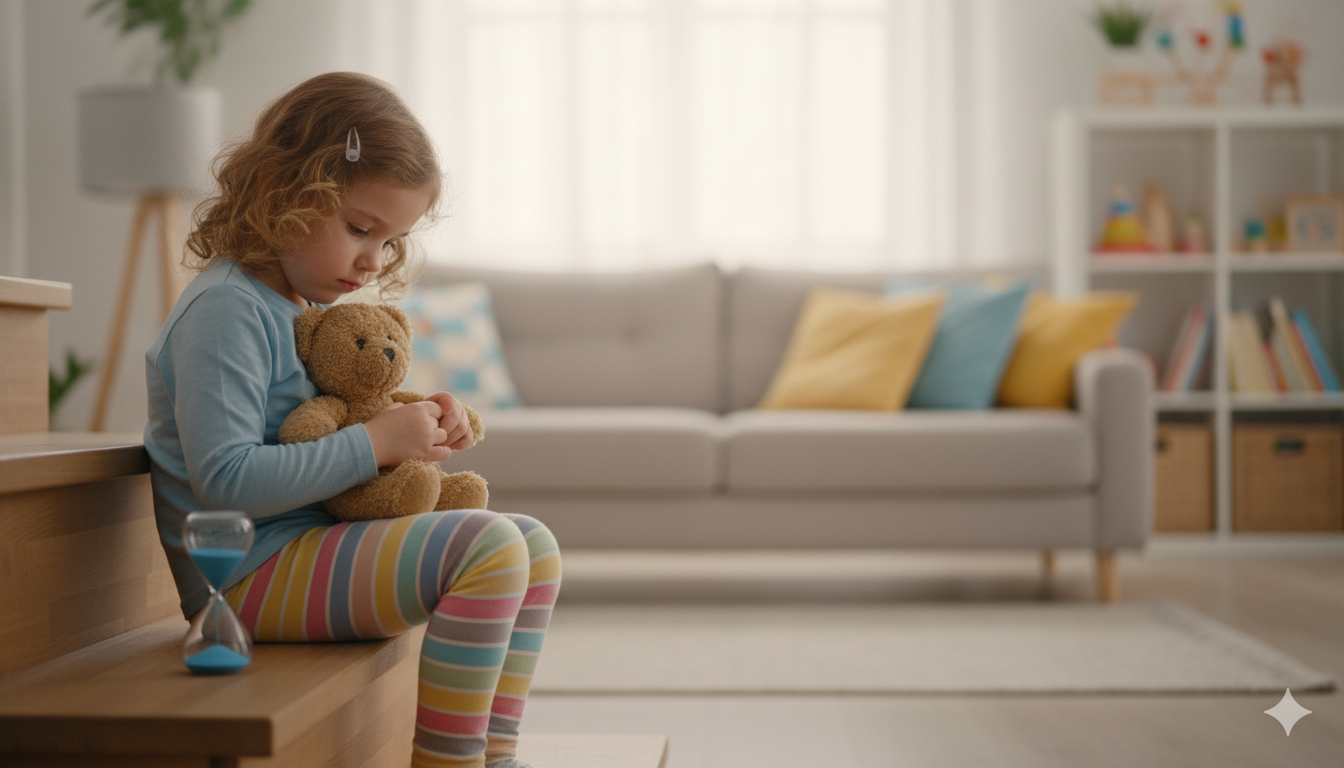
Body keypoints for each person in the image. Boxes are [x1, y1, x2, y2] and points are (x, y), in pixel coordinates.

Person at [144, 71, 560, 768]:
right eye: (360, 229)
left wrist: (415, 422)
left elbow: (335, 415)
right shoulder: (225, 310)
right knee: (489, 546)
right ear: (279, 188)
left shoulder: (302, 310)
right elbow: (225, 482)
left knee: (532, 544)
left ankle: (496, 756)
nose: (372, 261)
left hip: (308, 546)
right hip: (245, 576)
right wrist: (375, 442)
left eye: (390, 242)